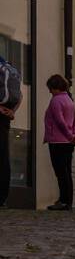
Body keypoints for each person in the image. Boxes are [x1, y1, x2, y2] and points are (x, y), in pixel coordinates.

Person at [43, 74, 75, 210]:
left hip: (58, 141)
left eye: (51, 88)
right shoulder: (69, 100)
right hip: (68, 143)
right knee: (67, 171)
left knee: (60, 173)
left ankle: (63, 201)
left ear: (55, 87)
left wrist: (70, 136)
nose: (49, 91)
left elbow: (60, 122)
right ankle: (67, 201)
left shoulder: (56, 101)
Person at [0, 52, 23, 208]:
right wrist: (12, 112)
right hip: (5, 117)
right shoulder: (10, 68)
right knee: (3, 157)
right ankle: (2, 198)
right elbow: (20, 96)